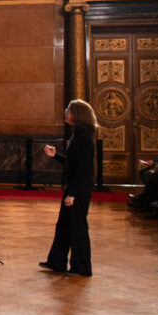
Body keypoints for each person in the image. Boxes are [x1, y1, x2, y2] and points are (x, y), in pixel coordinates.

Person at [40, 99, 97, 277]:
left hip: (78, 189)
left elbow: (82, 170)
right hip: (75, 187)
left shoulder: (84, 138)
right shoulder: (78, 135)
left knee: (78, 228)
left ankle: (82, 268)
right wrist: (55, 155)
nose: (66, 112)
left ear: (78, 114)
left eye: (69, 110)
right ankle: (57, 262)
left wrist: (72, 193)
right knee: (64, 225)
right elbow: (72, 164)